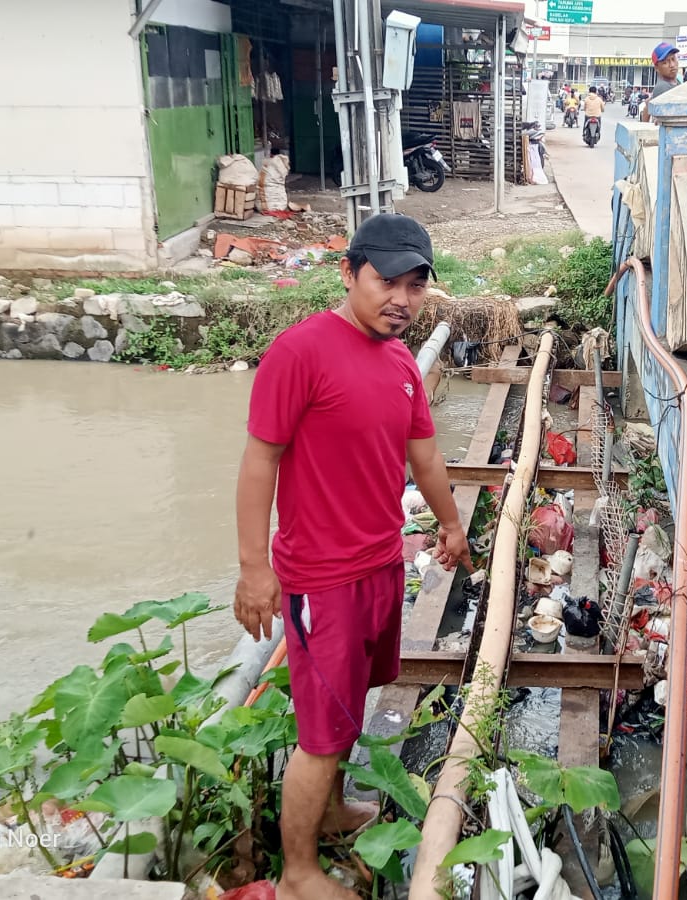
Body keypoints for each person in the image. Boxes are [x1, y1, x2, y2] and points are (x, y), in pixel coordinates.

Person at [234, 213, 469, 900]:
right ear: (348, 273)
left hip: (380, 566)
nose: (400, 299)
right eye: (385, 282)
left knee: (349, 705)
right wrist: (255, 570)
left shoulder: (399, 361)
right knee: (321, 735)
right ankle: (299, 872)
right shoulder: (300, 352)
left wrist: (450, 522)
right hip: (322, 581)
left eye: (415, 287)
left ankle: (332, 810)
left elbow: (422, 452)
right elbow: (259, 464)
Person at [642, 42, 682, 122]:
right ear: (657, 68)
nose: (672, 65)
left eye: (673, 59)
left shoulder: (677, 82)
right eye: (665, 62)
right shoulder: (663, 87)